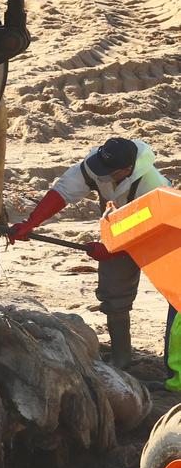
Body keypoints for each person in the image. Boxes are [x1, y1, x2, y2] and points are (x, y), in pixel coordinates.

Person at [9, 137, 170, 368]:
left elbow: (148, 229)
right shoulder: (97, 166)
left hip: (160, 231)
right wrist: (31, 222)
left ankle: (174, 365)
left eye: (107, 171)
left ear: (126, 170)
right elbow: (63, 191)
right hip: (118, 227)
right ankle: (122, 357)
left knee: (175, 297)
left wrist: (113, 250)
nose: (99, 174)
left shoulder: (152, 185)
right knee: (114, 292)